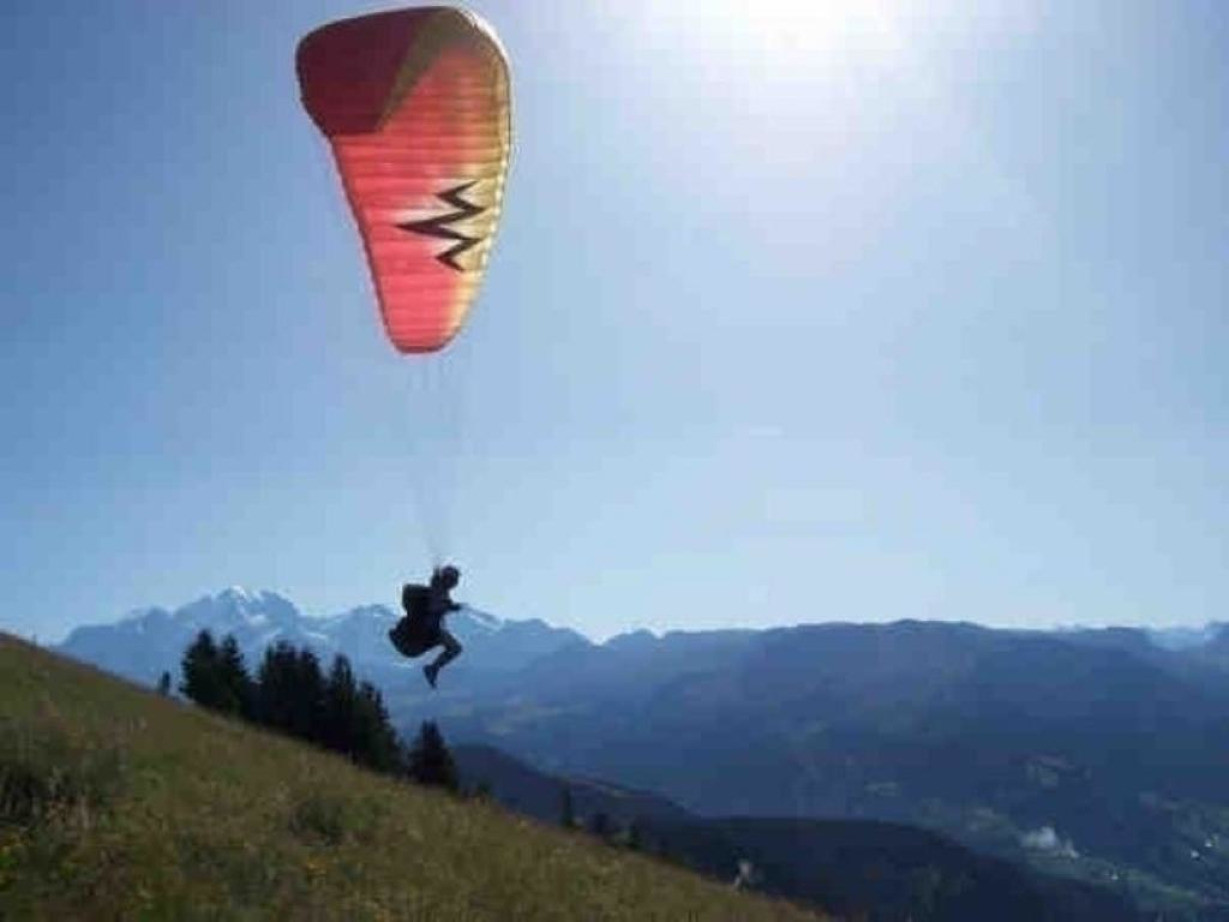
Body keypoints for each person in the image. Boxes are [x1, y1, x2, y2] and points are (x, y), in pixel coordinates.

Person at [388, 565, 465, 689]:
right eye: (453, 580)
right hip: (415, 639)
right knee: (455, 647)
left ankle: (433, 669)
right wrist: (449, 607)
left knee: (455, 647)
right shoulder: (435, 593)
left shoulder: (438, 594)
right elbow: (434, 605)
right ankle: (433, 669)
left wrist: (448, 606)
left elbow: (434, 602)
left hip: (412, 641)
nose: (455, 583)